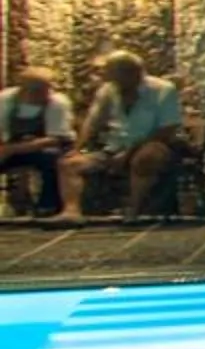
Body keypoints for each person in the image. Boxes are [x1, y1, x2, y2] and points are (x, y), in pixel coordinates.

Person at [58, 50, 187, 222]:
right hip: (113, 147)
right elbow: (93, 122)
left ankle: (134, 210)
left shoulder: (163, 90)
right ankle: (71, 211)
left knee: (147, 156)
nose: (109, 79)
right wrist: (78, 148)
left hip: (150, 144)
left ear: (133, 73)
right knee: (69, 165)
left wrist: (130, 151)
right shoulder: (108, 91)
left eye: (112, 74)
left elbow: (167, 129)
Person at [2, 69, 74, 218]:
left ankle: (48, 206)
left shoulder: (57, 103)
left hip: (45, 147)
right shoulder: (5, 100)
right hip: (10, 146)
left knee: (55, 161)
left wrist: (14, 149)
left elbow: (57, 137)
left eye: (46, 88)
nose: (44, 93)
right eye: (37, 89)